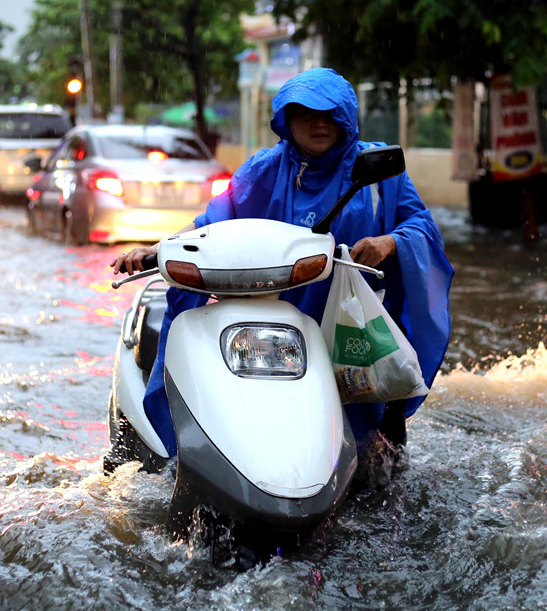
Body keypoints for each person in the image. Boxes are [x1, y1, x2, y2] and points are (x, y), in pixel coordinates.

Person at [112, 67, 453, 459]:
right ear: (286, 121)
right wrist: (158, 248)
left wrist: (389, 241)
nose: (318, 122)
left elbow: (421, 226)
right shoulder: (264, 170)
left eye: (329, 113)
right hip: (271, 325)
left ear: (346, 117)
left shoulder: (377, 173)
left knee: (375, 454)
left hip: (350, 323)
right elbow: (212, 223)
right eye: (305, 113)